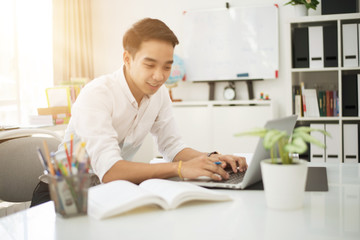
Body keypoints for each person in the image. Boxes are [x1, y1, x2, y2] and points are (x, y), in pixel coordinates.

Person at [30, 18, 247, 206]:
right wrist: (180, 169)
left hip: (105, 193)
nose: (159, 76)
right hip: (60, 196)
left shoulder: (159, 95)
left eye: (166, 66)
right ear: (127, 58)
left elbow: (172, 146)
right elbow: (111, 171)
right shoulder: (97, 94)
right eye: (150, 65)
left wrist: (211, 158)